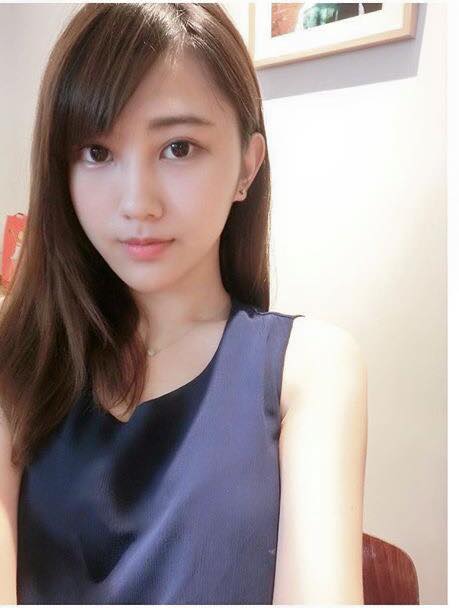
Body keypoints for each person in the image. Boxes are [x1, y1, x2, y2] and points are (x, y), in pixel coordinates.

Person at [0, 3, 368, 604]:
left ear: (246, 166)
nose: (137, 203)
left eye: (178, 148)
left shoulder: (308, 370)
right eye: (97, 152)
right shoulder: (17, 365)